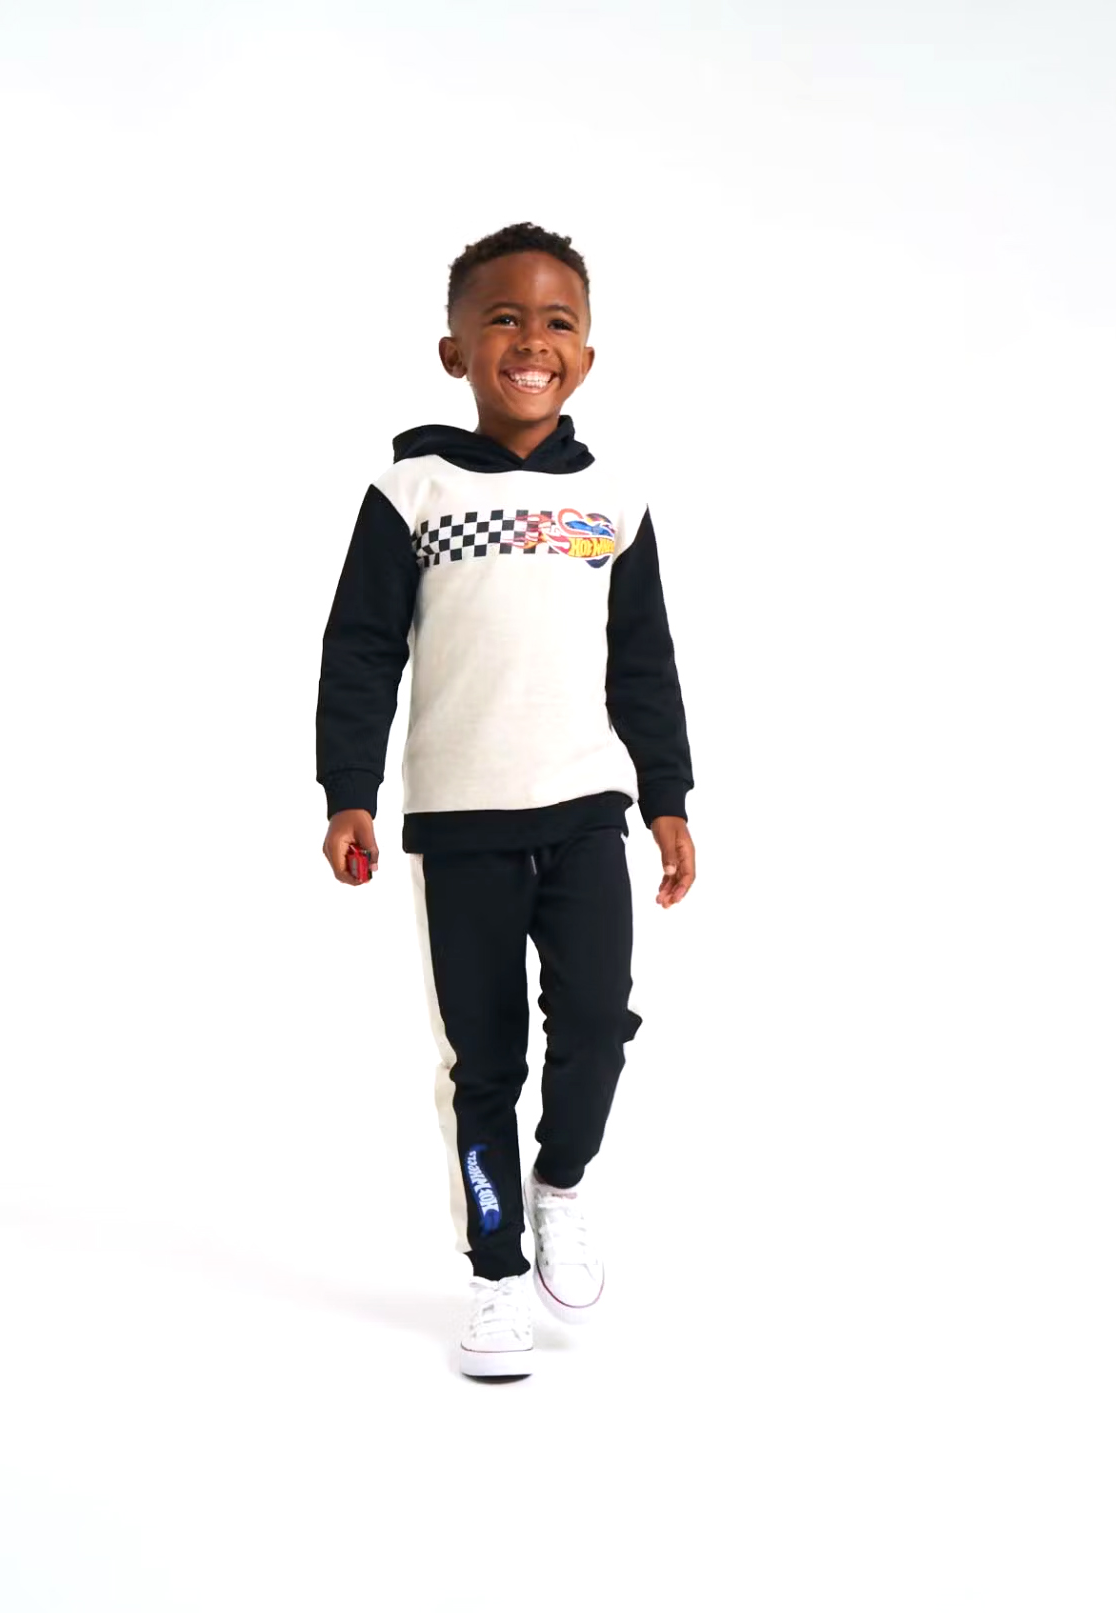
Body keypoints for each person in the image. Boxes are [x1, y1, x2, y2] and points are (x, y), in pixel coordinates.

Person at [314, 221, 697, 1380]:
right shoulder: (411, 490)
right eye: (504, 319)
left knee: (592, 1026)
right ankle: (493, 1275)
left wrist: (670, 797)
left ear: (587, 355)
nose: (531, 340)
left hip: (587, 811)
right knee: (483, 1061)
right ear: (455, 351)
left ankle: (561, 1183)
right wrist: (349, 793)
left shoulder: (612, 501)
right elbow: (361, 649)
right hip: (461, 826)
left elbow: (646, 661)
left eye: (557, 322)